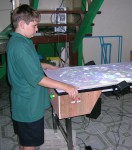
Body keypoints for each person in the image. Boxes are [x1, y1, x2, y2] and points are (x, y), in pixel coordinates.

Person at [6, 4, 78, 150]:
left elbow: (29, 64)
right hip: (28, 106)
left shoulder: (20, 41)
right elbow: (38, 79)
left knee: (24, 139)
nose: (37, 29)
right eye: (34, 25)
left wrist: (49, 66)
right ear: (21, 24)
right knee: (29, 144)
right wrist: (66, 86)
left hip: (23, 102)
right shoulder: (20, 47)